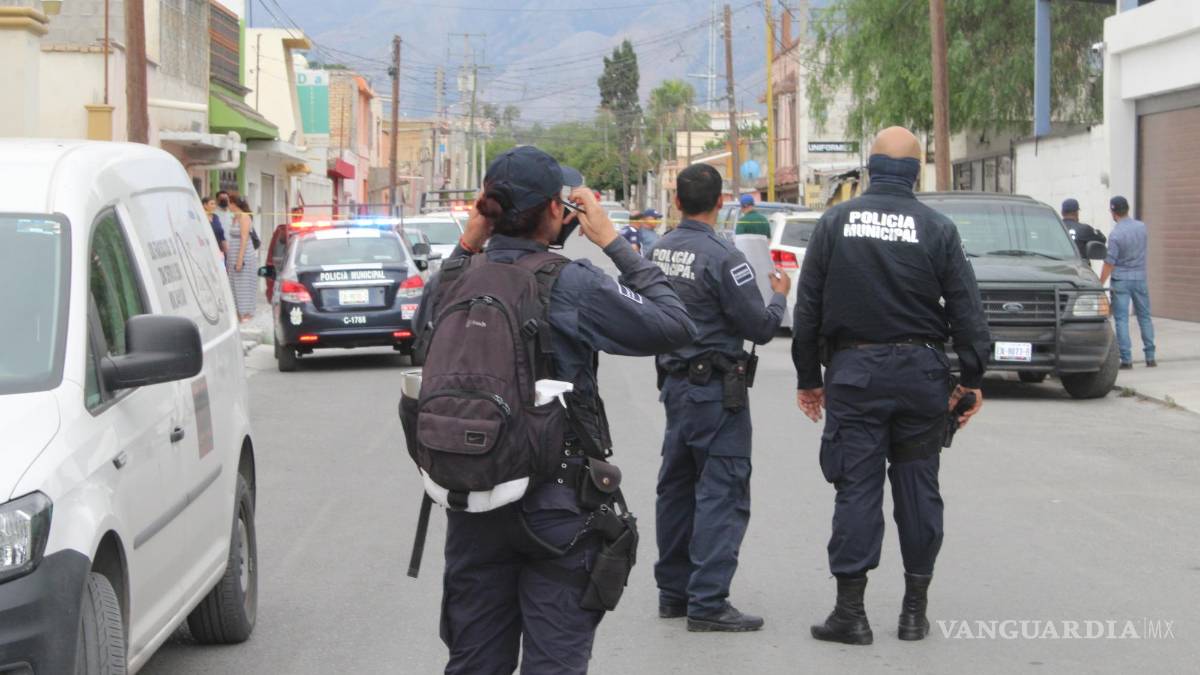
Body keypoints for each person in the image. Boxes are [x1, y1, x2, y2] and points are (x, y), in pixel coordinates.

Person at [413, 146, 696, 674]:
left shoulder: (453, 278)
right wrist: (613, 241)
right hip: (557, 503)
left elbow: (419, 342)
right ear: (554, 211)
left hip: (474, 494)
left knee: (474, 662)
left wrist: (469, 240)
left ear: (486, 207)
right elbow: (674, 325)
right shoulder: (570, 281)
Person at [792, 126, 990, 645]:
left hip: (856, 374)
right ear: (916, 172)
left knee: (856, 489)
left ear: (870, 169)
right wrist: (971, 378)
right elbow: (967, 308)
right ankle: (913, 613)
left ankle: (850, 614)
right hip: (921, 377)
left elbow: (807, 306)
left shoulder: (835, 222)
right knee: (919, 488)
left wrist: (809, 378)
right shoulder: (938, 229)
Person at [650, 163, 790, 633]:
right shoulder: (723, 257)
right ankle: (707, 601)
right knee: (721, 490)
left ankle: (674, 592)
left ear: (676, 200)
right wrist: (778, 297)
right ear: (721, 202)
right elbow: (761, 328)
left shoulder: (659, 249)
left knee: (676, 487)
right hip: (714, 392)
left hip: (673, 385)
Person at [1100, 195, 1155, 369]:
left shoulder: (1115, 234)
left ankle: (1127, 359)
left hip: (1121, 280)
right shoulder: (1142, 227)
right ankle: (1150, 356)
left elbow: (1110, 262)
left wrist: (1100, 283)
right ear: (1128, 209)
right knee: (1145, 317)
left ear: (1113, 212)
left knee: (1121, 319)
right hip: (1140, 277)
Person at [226, 196, 258, 322]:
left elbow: (244, 239)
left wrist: (240, 259)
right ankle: (238, 313)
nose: (228, 206)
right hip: (233, 253)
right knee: (234, 283)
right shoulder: (234, 217)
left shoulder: (244, 217)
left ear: (234, 204)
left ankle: (246, 313)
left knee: (244, 283)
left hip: (243, 254)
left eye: (229, 203)